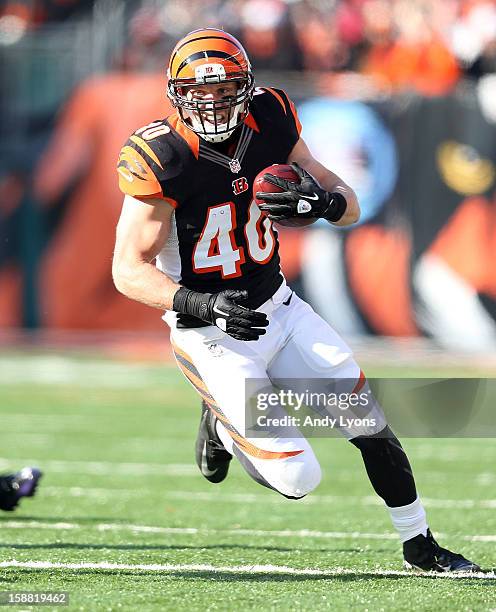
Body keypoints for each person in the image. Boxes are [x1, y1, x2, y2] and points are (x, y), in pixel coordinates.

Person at [112, 28, 479, 572]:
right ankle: (220, 420)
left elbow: (347, 201)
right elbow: (127, 271)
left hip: (278, 307)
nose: (212, 103)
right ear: (177, 93)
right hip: (210, 334)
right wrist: (201, 305)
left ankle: (419, 543)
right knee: (299, 478)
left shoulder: (270, 117)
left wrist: (325, 203)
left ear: (247, 86)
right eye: (200, 91)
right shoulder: (162, 154)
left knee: (369, 423)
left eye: (225, 88)